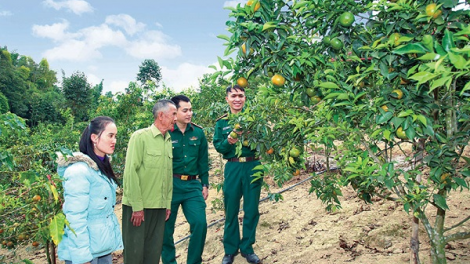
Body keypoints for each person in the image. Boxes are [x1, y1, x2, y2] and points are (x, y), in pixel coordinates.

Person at [57, 116, 123, 264]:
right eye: (110, 136)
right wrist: (82, 258)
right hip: (85, 252)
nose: (114, 141)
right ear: (94, 137)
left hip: (101, 247)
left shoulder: (101, 167)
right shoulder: (79, 171)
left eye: (115, 136)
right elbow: (75, 218)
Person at [121, 99, 177, 264]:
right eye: (173, 114)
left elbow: (168, 175)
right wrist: (137, 207)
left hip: (159, 208)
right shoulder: (140, 137)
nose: (176, 118)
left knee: (153, 255)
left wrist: (167, 204)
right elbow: (131, 172)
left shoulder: (167, 140)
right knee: (134, 255)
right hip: (138, 208)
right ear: (161, 115)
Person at [213, 85, 262, 264]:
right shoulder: (222, 123)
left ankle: (247, 248)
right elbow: (219, 146)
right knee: (231, 209)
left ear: (245, 98)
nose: (237, 99)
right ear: (227, 99)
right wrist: (229, 141)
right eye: (233, 95)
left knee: (251, 209)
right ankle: (230, 249)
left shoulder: (254, 120)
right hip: (233, 167)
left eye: (241, 95)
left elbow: (264, 141)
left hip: (252, 165)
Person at [162, 95, 210, 264]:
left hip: (191, 185)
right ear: (175, 112)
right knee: (165, 231)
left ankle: (194, 261)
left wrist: (205, 183)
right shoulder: (166, 132)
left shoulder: (198, 132)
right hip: (170, 185)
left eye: (190, 109)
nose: (190, 113)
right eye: (185, 110)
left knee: (200, 223)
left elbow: (203, 160)